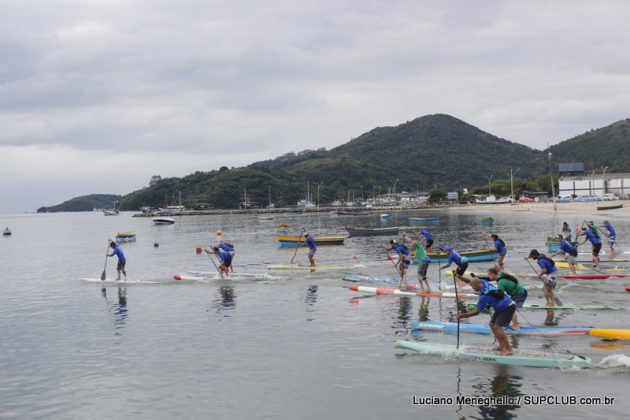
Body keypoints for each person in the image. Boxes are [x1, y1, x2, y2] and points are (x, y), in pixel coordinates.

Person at [456, 277, 516, 355]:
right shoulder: (483, 282)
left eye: (472, 286)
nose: (472, 288)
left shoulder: (484, 296)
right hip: (500, 307)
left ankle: (508, 349)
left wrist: (462, 315)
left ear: (477, 284)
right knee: (491, 324)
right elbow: (469, 280)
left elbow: (477, 312)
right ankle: (501, 346)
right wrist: (458, 275)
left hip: (507, 306)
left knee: (497, 327)